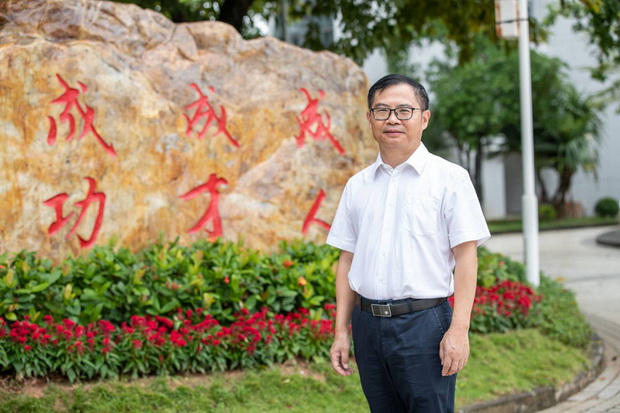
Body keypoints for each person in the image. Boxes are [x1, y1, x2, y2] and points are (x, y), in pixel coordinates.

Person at [326, 74, 490, 413]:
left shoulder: (450, 179)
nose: (393, 119)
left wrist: (459, 330)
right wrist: (341, 331)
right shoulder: (357, 186)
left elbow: (466, 257)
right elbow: (347, 260)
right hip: (368, 325)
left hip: (424, 326)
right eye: (382, 111)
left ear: (424, 118)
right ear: (370, 118)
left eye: (404, 110)